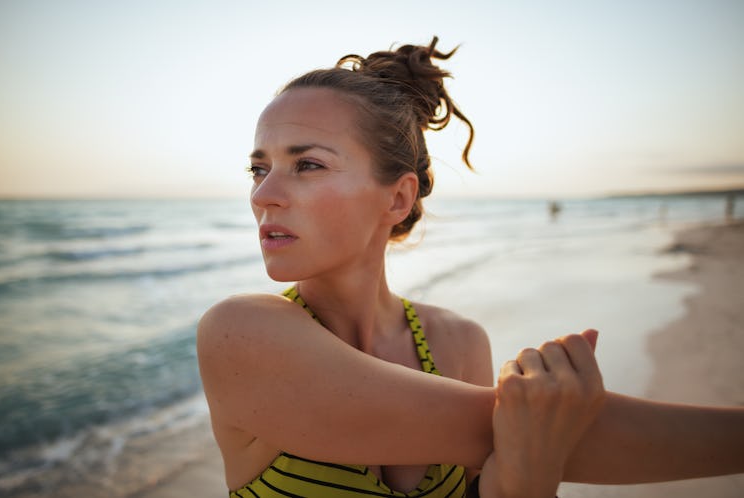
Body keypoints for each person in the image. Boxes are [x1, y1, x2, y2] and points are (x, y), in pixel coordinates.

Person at [197, 37, 744, 497]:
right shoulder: (240, 335)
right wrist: (531, 440)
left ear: (397, 199)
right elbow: (524, 433)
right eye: (258, 168)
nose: (264, 194)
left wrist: (529, 468)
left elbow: (521, 455)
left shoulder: (458, 345)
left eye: (307, 164)